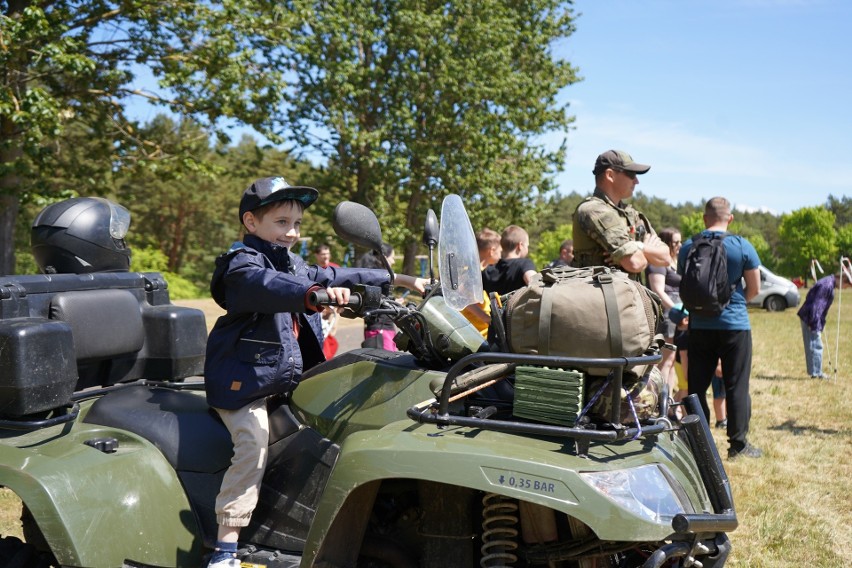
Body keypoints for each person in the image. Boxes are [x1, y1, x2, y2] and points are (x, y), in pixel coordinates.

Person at [203, 177, 426, 568]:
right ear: (251, 223)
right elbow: (267, 285)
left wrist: (403, 280)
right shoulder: (241, 263)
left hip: (283, 381)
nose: (292, 232)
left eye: (297, 224)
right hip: (244, 387)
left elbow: (334, 275)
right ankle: (226, 546)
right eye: (281, 222)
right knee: (253, 442)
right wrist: (310, 295)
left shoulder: (293, 263)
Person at [678, 196, 761, 460]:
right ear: (730, 218)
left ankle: (699, 443)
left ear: (705, 218)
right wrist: (733, 305)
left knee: (696, 386)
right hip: (734, 325)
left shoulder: (688, 246)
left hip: (699, 326)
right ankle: (738, 446)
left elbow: (688, 285)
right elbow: (755, 289)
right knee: (736, 385)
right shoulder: (741, 246)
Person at [572, 150, 670, 278]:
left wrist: (638, 246)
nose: (636, 181)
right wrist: (648, 253)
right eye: (631, 174)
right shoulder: (594, 210)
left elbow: (666, 258)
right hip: (598, 295)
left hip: (626, 294)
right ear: (610, 175)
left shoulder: (630, 214)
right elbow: (635, 263)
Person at [646, 228, 683, 395]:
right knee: (664, 362)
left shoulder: (674, 262)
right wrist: (677, 310)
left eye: (680, 241)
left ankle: (668, 405)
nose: (679, 245)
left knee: (672, 360)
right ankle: (658, 402)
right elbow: (658, 291)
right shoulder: (657, 263)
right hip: (668, 316)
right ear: (665, 243)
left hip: (677, 315)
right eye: (675, 242)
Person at [355, 243, 402, 350]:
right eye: (392, 258)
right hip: (381, 331)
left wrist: (393, 301)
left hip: (379, 330)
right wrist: (393, 303)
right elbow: (377, 303)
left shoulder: (372, 277)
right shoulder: (376, 279)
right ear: (384, 258)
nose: (394, 261)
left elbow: (379, 300)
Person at [796, 272, 840, 379]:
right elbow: (817, 305)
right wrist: (814, 323)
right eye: (846, 285)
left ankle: (814, 371)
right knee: (816, 345)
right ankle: (816, 372)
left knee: (813, 344)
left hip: (810, 316)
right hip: (810, 317)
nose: (844, 288)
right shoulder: (827, 285)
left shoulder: (828, 282)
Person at [461, 228, 502, 337]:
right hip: (473, 334)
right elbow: (465, 300)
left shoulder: (485, 274)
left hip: (483, 333)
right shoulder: (470, 272)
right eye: (500, 251)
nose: (501, 255)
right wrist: (487, 319)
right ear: (492, 250)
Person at [482, 225, 537, 296]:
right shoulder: (524, 264)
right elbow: (536, 285)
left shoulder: (488, 271)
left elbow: (466, 292)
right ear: (520, 245)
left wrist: (479, 308)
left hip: (495, 307)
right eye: (527, 246)